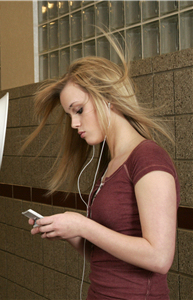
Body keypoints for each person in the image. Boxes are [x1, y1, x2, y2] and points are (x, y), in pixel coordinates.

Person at [22, 37, 180, 299]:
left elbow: (159, 257)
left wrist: (83, 226)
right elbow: (104, 255)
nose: (74, 124)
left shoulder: (148, 158)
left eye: (79, 110)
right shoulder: (110, 164)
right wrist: (71, 233)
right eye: (70, 115)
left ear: (108, 98)